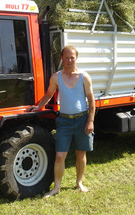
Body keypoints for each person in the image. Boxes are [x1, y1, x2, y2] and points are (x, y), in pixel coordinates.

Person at [27, 45, 95, 197]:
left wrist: (90, 121)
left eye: (72, 57)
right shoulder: (56, 77)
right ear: (62, 58)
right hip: (64, 121)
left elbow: (91, 101)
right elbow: (49, 94)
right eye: (66, 57)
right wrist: (38, 106)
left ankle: (79, 183)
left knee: (80, 154)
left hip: (82, 119)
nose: (69, 60)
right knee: (59, 156)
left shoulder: (84, 77)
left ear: (76, 58)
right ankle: (56, 187)